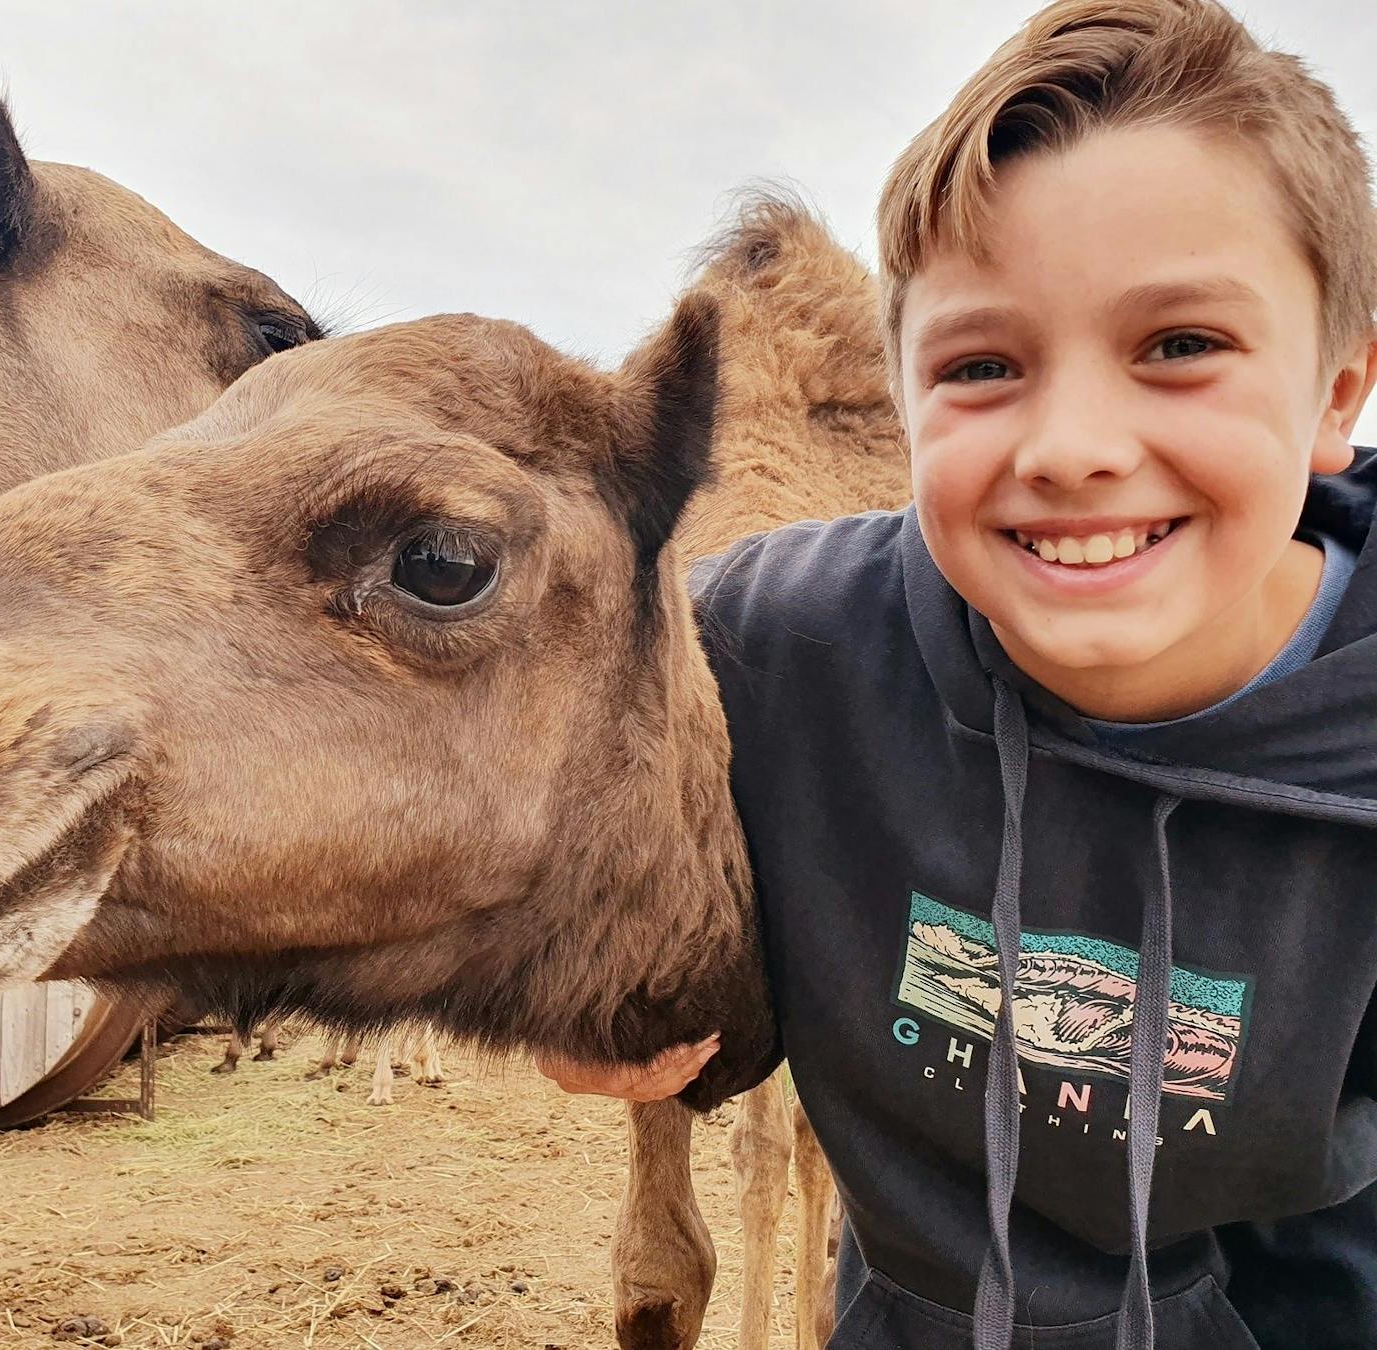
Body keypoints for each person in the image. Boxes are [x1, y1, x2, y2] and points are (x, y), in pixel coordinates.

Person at [539, 1, 1377, 1344]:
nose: (1074, 445)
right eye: (984, 365)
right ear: (909, 399)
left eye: (1179, 345)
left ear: (1339, 392)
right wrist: (571, 973)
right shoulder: (763, 644)